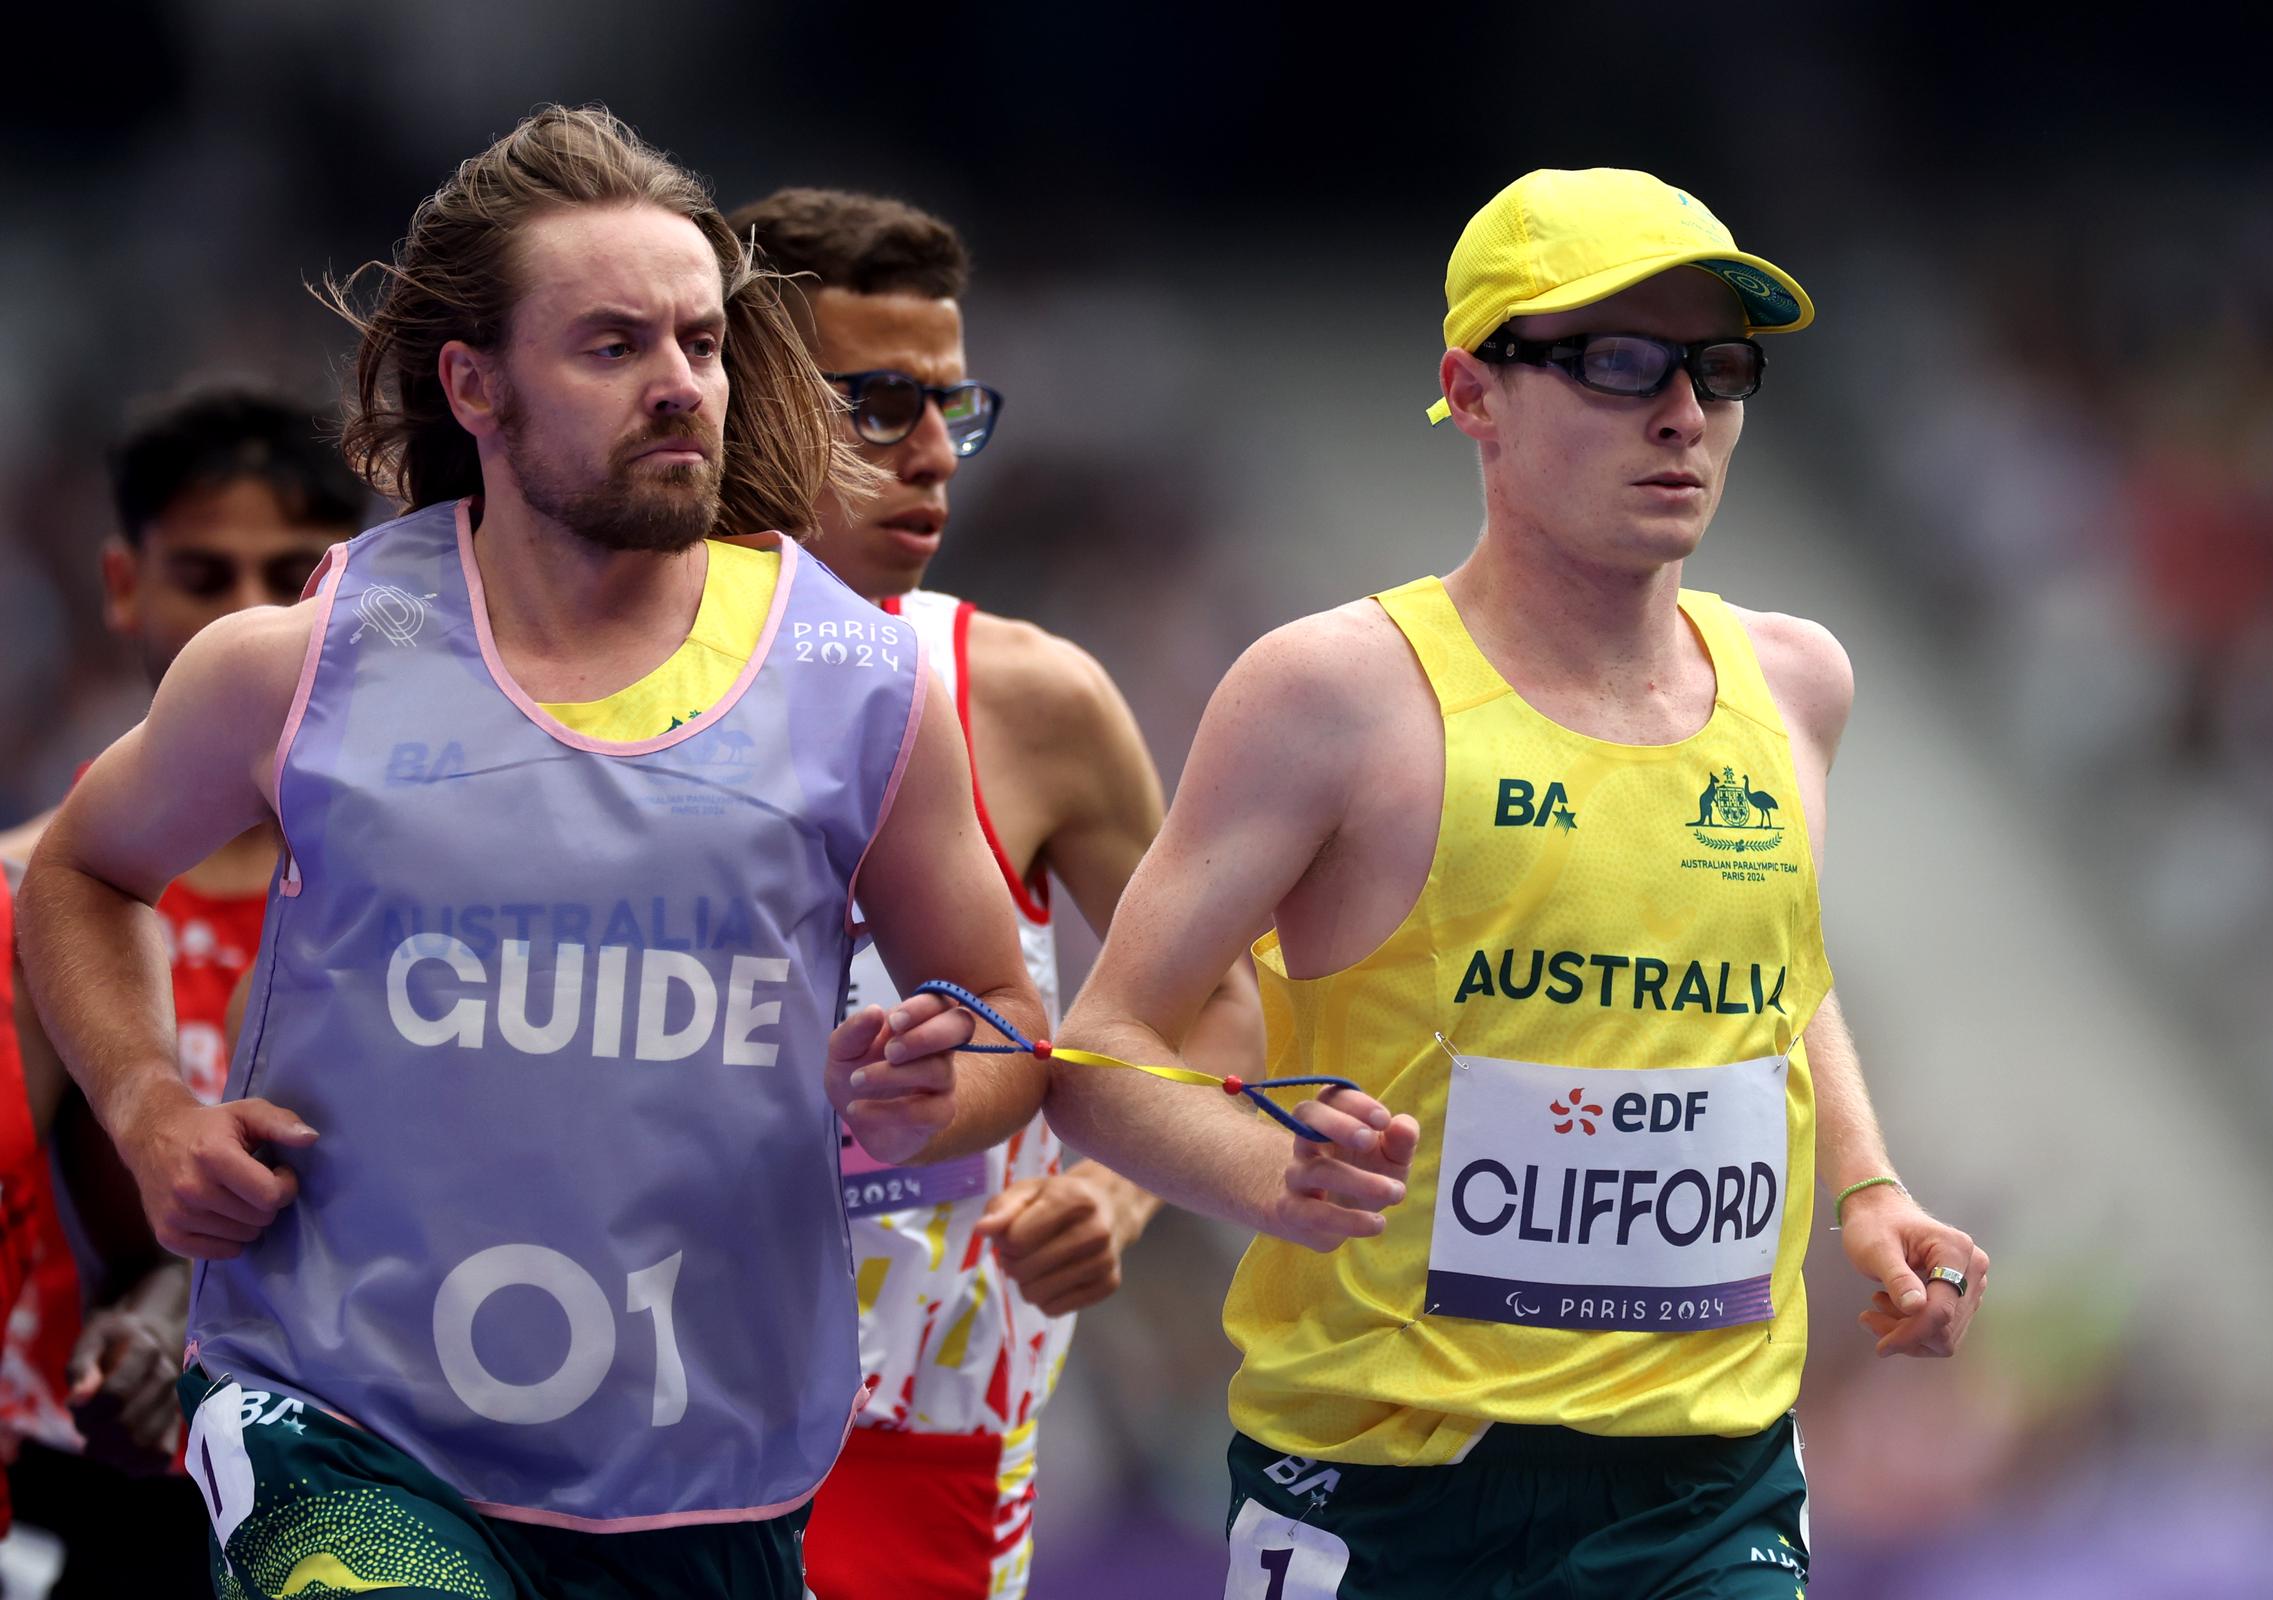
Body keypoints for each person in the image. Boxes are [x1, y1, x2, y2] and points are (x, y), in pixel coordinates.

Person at [14, 105, 1064, 1600]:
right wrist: (146, 1105)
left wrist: (929, 1103)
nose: (680, 388)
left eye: (700, 343)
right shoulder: (305, 661)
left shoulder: (860, 683)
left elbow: (1011, 1027)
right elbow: (82, 870)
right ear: (475, 385)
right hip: (348, 1431)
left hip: (707, 1476)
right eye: (614, 346)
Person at [1053, 168, 1992, 1596]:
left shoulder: (1799, 682)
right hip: (1390, 1483)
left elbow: (1778, 974)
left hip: (1708, 1483)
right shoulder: (1335, 695)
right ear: (1473, 393)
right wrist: (1268, 1175)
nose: (1683, 412)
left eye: (1718, 369)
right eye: (1618, 364)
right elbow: (1100, 1049)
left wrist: (1866, 1188)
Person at [728, 186, 1264, 1599]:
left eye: (952, 413)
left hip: (933, 1456)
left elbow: (1211, 1000)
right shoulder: (582, 693)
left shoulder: (1031, 700)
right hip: (635, 1426)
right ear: (735, 401)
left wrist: (1119, 1192)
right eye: (878, 407)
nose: (931, 461)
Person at [0, 384, 364, 1597]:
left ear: (352, 591)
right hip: (72, 1484)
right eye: (204, 575)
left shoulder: (411, 904)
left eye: (290, 573)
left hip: (354, 1483)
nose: (248, 616)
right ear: (121, 585)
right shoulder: (19, 896)